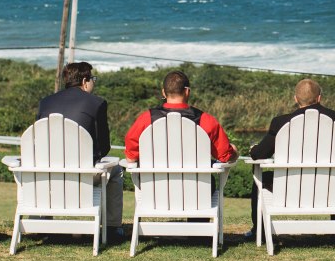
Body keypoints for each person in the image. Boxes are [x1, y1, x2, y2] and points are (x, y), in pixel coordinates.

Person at [246, 79, 335, 237]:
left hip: (289, 189)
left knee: (262, 177)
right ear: (319, 98)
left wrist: (254, 149)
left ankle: (259, 230)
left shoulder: (280, 122)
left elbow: (259, 155)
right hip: (328, 188)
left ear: (295, 99)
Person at [37, 62, 125, 238]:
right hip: (83, 175)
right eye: (93, 79)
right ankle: (112, 226)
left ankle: (39, 221)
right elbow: (104, 147)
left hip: (48, 175)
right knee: (117, 171)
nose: (93, 82)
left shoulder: (45, 102)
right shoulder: (97, 103)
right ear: (85, 81)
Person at [124, 70, 237, 164]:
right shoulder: (205, 120)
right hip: (197, 189)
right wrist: (235, 151)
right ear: (187, 91)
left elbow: (131, 158)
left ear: (164, 92)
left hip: (153, 188)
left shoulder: (146, 118)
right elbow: (225, 156)